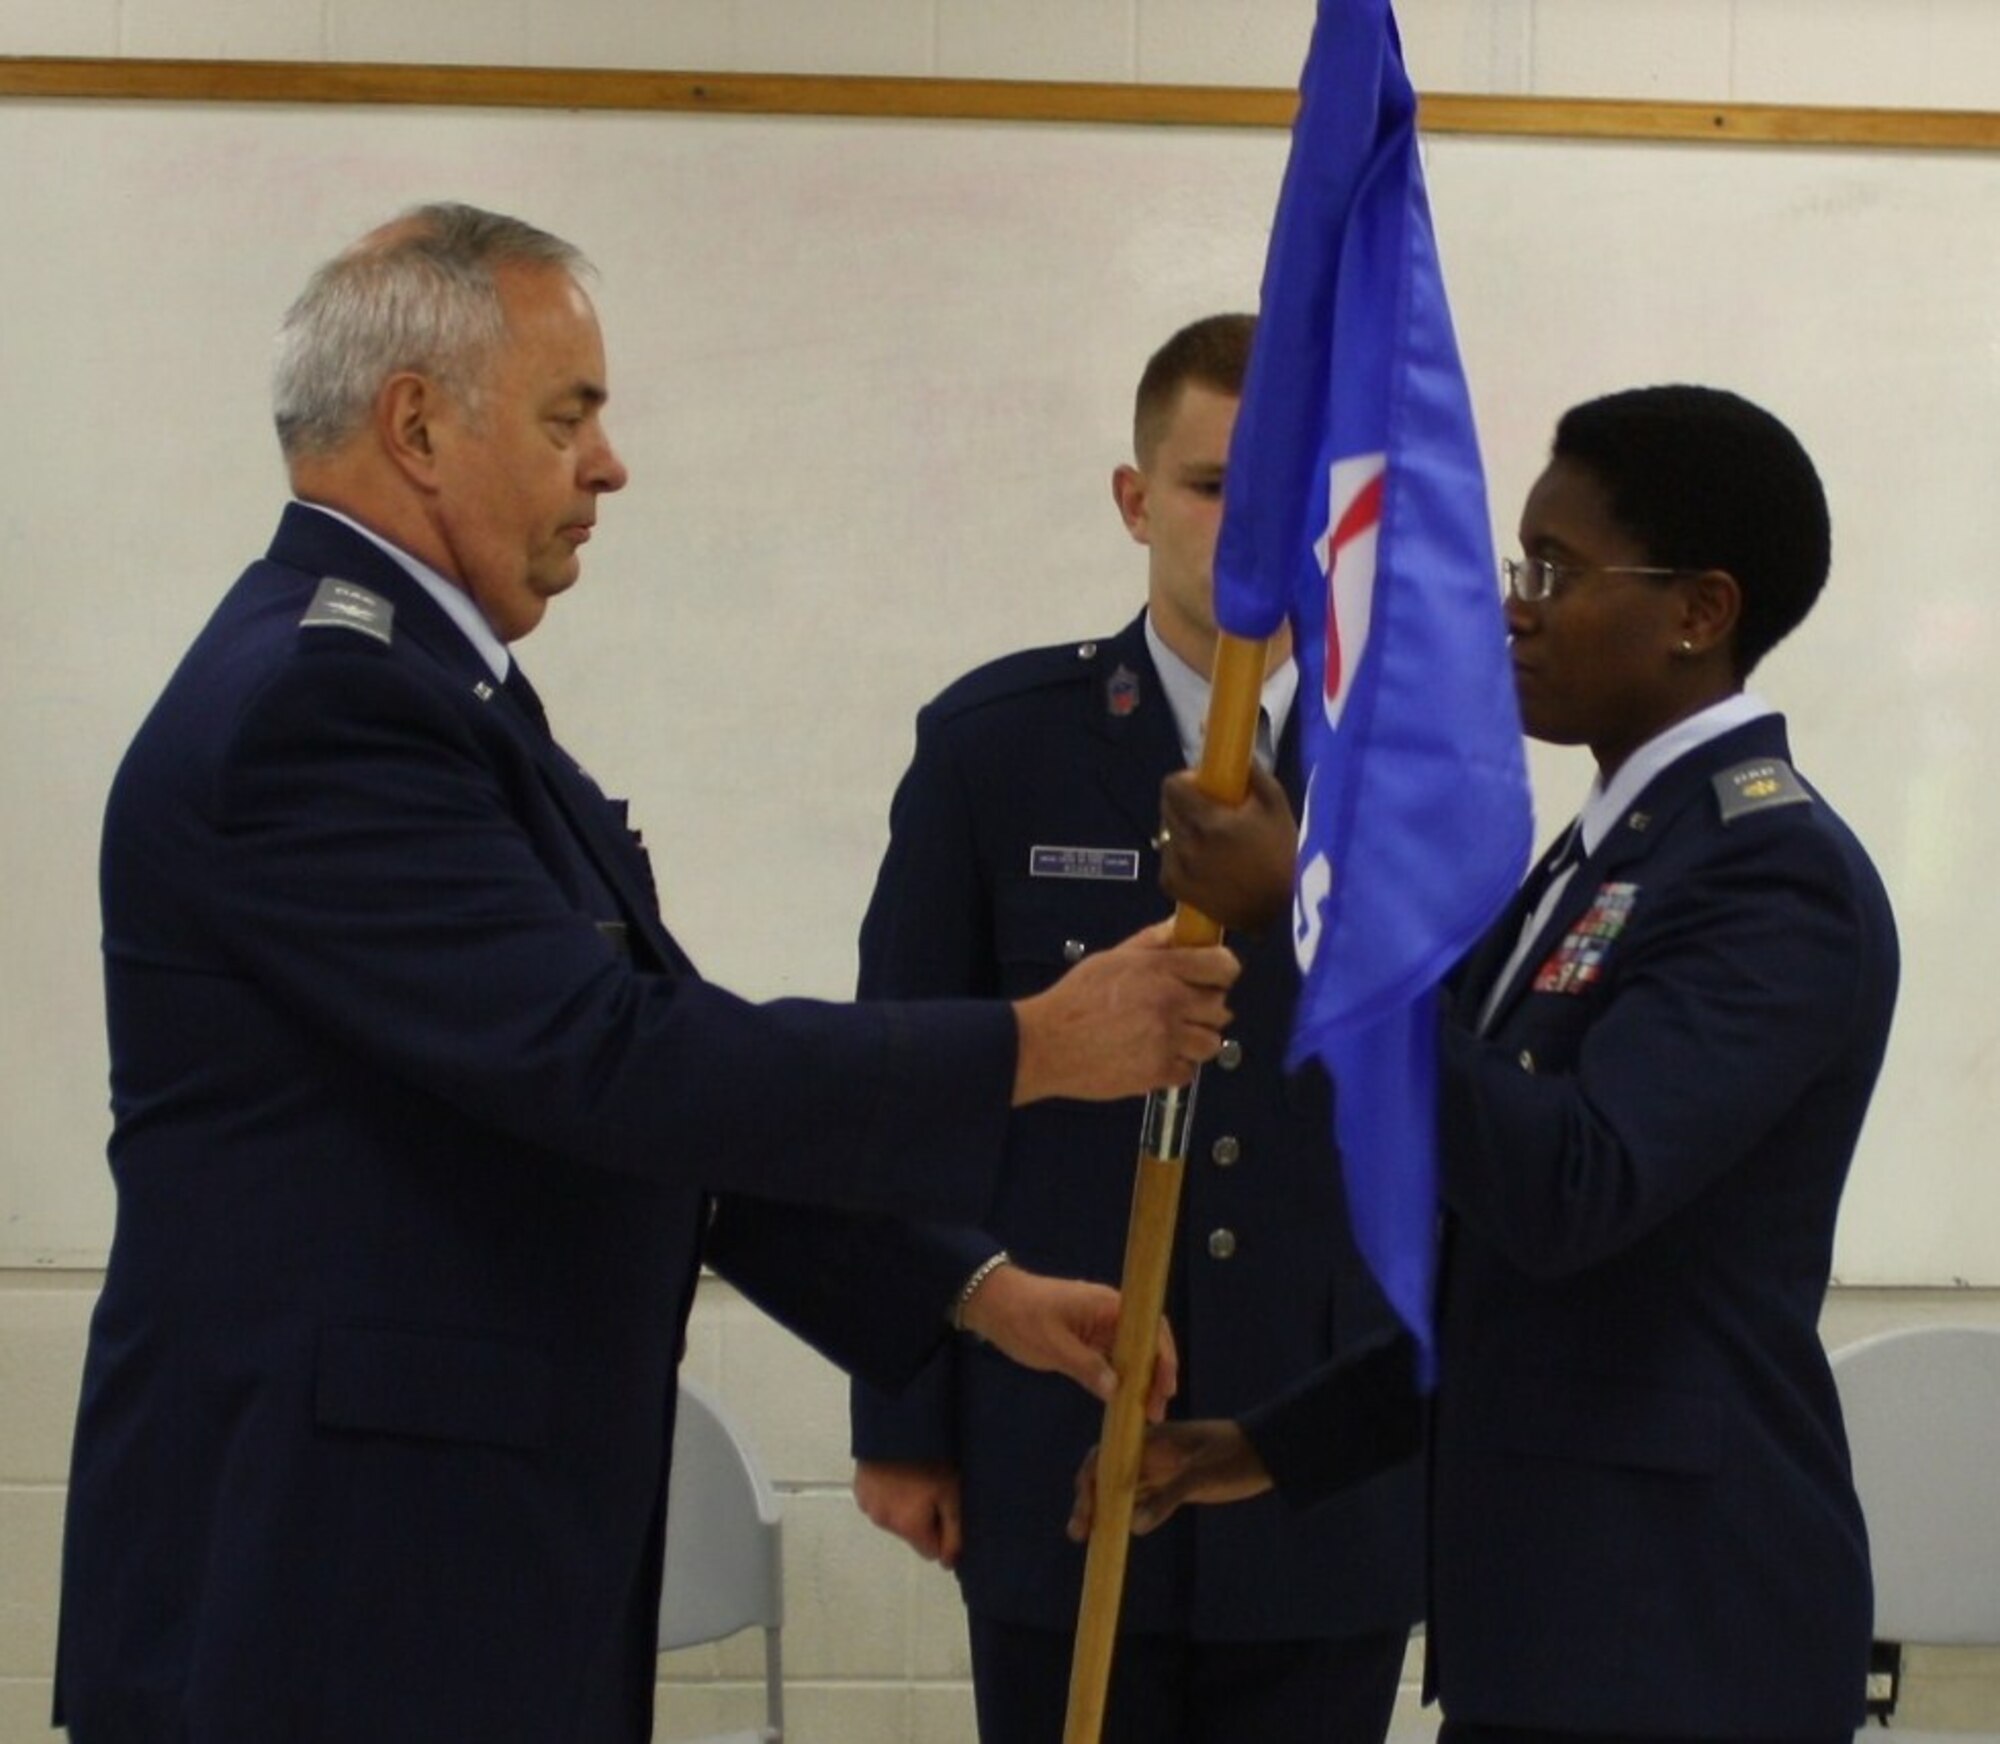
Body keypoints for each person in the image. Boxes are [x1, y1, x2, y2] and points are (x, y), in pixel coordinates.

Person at [52, 203, 1241, 1744]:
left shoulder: (417, 686)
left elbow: (626, 1104)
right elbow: (611, 1060)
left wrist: (971, 1289)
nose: (607, 465)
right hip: (336, 1582)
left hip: (430, 1567)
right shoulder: (322, 707)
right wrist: (1034, 1043)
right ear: (417, 425)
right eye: (570, 418)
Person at [1077, 384, 1901, 1744]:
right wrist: (1274, 1446)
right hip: (1559, 1633)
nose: (1514, 607)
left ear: (1699, 612)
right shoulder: (1603, 860)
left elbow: (1572, 1189)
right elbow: (1500, 1281)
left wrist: (1305, 916)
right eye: (1523, 566)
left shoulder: (1771, 874)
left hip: (1682, 1640)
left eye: (1557, 573)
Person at [849, 314, 1422, 1744]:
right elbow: (896, 1099)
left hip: (1318, 1454)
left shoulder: (1414, 773)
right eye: (1215, 486)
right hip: (1054, 1429)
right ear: (1135, 499)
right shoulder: (999, 746)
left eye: (1288, 496)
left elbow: (1445, 1113)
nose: (1250, 529)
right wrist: (902, 1419)